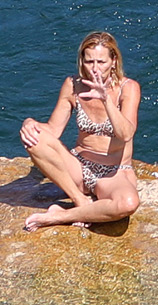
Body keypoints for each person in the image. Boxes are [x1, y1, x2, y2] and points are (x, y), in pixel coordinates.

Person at [16, 30, 144, 231]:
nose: (94, 69)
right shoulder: (73, 85)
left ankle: (59, 216)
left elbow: (126, 133)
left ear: (113, 61)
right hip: (78, 168)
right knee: (34, 138)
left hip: (113, 173)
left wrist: (106, 100)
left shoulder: (128, 88)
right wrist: (29, 122)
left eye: (101, 62)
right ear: (81, 61)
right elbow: (53, 130)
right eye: (89, 61)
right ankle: (80, 201)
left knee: (127, 203)